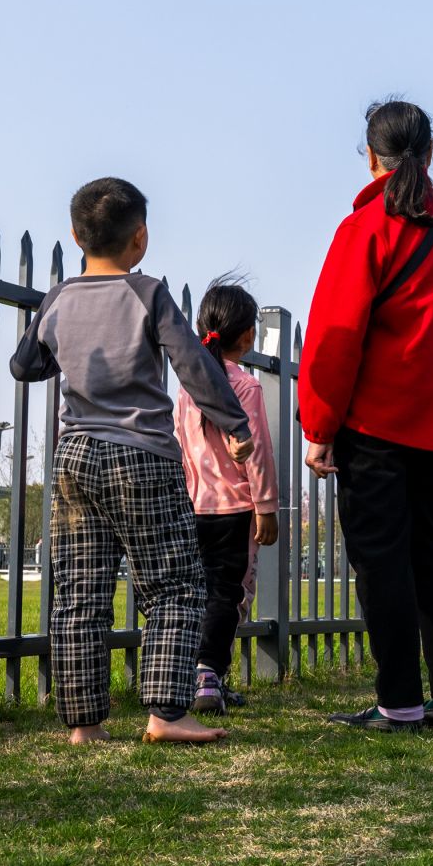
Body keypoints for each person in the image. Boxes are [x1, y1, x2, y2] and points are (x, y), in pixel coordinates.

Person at [10, 177, 253, 747]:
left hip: (75, 458)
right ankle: (167, 713)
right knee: (175, 585)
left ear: (76, 236)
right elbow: (194, 367)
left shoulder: (59, 297)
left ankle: (84, 724)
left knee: (80, 592)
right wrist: (235, 425)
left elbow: (25, 365)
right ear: (140, 238)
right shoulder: (148, 293)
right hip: (140, 453)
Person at [299, 100, 433, 733]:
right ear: (431, 154)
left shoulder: (364, 230)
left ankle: (401, 703)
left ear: (371, 156)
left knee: (381, 561)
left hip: (373, 429)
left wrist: (319, 428)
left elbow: (333, 339)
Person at [174, 279, 280, 713]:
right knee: (229, 594)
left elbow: (181, 445)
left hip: (193, 505)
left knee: (195, 594)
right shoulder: (246, 387)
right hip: (235, 509)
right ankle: (208, 675)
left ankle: (195, 677)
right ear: (248, 336)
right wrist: (267, 508)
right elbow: (258, 453)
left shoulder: (188, 387)